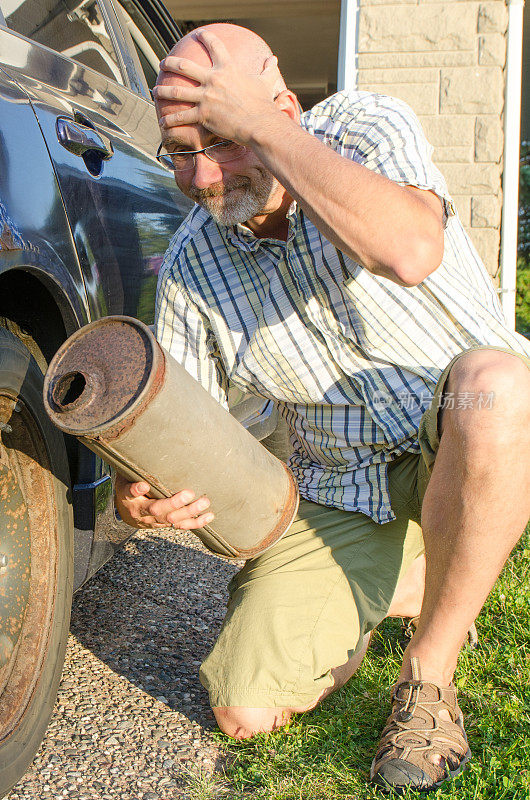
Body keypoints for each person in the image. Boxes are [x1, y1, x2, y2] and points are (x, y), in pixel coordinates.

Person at [114, 22, 530, 793]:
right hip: (348, 485)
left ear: (281, 108)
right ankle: (415, 570)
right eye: (181, 149)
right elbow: (187, 442)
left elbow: (409, 251)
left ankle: (429, 676)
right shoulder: (192, 266)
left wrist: (264, 134)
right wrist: (139, 496)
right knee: (245, 706)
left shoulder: (367, 126)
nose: (204, 175)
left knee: (498, 388)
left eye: (223, 138)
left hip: (469, 427)